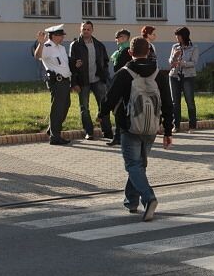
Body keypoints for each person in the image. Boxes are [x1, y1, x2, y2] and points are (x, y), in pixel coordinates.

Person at [98, 37, 173, 222]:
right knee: (139, 166)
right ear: (148, 52)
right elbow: (168, 103)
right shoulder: (159, 74)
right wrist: (168, 131)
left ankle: (149, 198)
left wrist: (102, 114)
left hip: (129, 126)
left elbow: (110, 97)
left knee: (133, 165)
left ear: (130, 52)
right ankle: (131, 201)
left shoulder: (124, 73)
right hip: (151, 127)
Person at [68, 21, 113, 141]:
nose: (86, 31)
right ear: (80, 30)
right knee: (84, 107)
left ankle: (107, 131)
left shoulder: (99, 45)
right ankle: (89, 132)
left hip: (98, 80)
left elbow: (105, 62)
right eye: (84, 29)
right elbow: (71, 65)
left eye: (88, 29)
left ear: (92, 30)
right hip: (83, 81)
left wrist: (104, 77)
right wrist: (74, 83)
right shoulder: (75, 45)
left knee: (103, 106)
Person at [34, 25, 77, 145]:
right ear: (54, 36)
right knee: (58, 109)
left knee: (65, 106)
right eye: (61, 35)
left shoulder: (61, 48)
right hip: (57, 82)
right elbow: (37, 56)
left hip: (65, 81)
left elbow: (63, 63)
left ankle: (52, 130)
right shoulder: (47, 46)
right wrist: (41, 43)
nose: (63, 37)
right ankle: (55, 137)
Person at [168, 26, 199, 133]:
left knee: (190, 101)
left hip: (188, 76)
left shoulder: (194, 47)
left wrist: (182, 63)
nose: (177, 38)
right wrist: (174, 56)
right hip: (174, 76)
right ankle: (176, 126)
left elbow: (194, 62)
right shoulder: (175, 46)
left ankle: (192, 126)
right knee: (175, 102)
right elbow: (171, 62)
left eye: (178, 36)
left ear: (184, 36)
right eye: (176, 36)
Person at [106, 29, 132, 146]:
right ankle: (119, 136)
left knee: (119, 111)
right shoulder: (120, 50)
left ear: (125, 38)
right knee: (119, 111)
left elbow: (122, 69)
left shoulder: (126, 51)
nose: (116, 39)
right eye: (116, 37)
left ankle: (120, 137)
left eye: (119, 37)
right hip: (121, 83)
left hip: (124, 85)